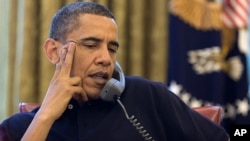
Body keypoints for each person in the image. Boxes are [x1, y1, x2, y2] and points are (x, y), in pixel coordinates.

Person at [0, 2, 229, 141]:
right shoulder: (19, 127)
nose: (105, 59)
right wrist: (45, 116)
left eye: (112, 48)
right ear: (53, 51)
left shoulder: (146, 96)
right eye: (91, 45)